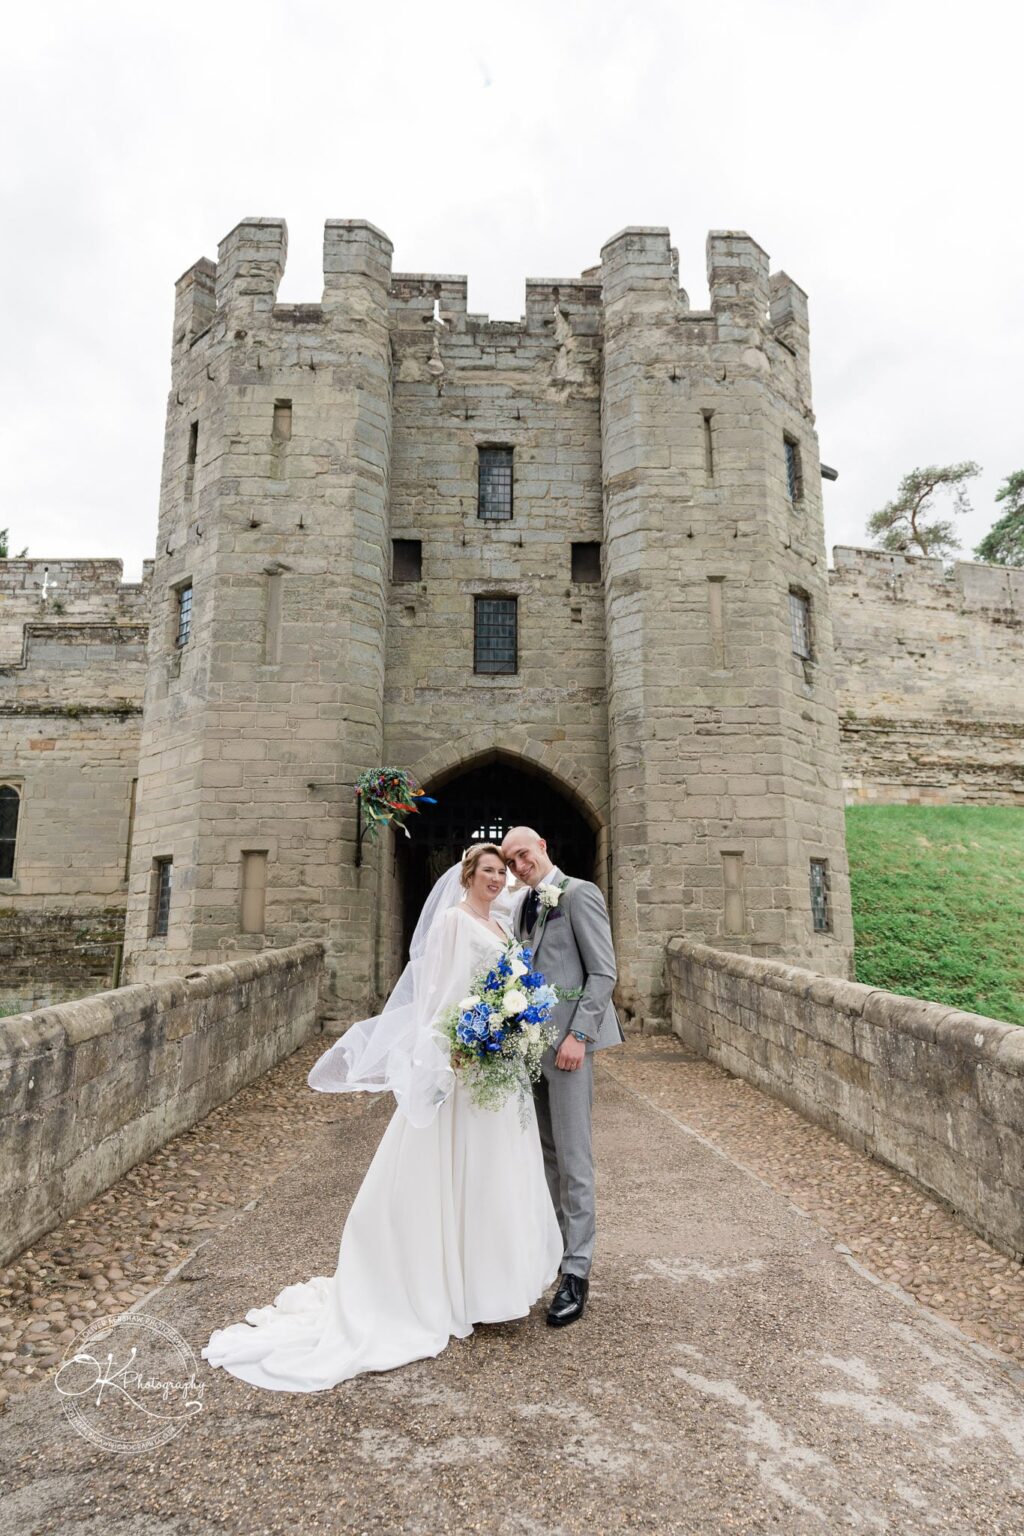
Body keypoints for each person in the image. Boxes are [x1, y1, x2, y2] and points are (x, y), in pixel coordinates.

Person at [200, 844, 563, 1393]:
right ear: (468, 875)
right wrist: (453, 1047)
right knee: (456, 1171)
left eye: (500, 871)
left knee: (496, 1174)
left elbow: (509, 987)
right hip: (468, 1062)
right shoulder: (451, 922)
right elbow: (436, 996)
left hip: (500, 1064)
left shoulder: (502, 926)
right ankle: (443, 1286)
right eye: (486, 870)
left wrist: (514, 1027)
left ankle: (491, 1285)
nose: (495, 877)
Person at [499, 826, 625, 1328]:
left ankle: (577, 1272)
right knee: (546, 1157)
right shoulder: (523, 907)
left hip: (569, 1048)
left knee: (575, 1159)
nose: (517, 865)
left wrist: (580, 1036)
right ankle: (554, 1252)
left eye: (522, 854)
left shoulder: (578, 894)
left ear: (544, 847)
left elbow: (603, 972)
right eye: (509, 861)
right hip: (530, 1051)